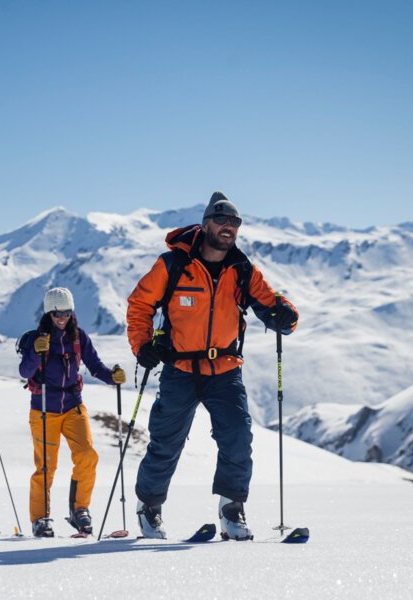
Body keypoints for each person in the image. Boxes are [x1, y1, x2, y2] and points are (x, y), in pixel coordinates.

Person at [126, 191, 299, 540]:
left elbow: (272, 303)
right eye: (221, 220)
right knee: (166, 442)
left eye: (234, 222)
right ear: (206, 223)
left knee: (237, 437)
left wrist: (286, 316)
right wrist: (142, 344)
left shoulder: (243, 270)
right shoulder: (173, 264)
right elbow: (140, 304)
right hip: (180, 370)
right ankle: (149, 508)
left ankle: (231, 510)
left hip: (225, 370)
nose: (228, 227)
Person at [19, 287, 126, 537]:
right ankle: (40, 518)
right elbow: (25, 372)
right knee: (46, 467)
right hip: (43, 408)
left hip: (73, 405)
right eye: (57, 313)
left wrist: (112, 377)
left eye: (67, 313)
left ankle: (80, 510)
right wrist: (36, 351)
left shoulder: (78, 337)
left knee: (87, 455)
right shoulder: (34, 338)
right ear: (49, 313)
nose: (62, 318)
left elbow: (95, 366)